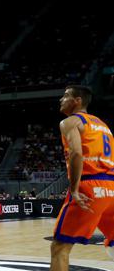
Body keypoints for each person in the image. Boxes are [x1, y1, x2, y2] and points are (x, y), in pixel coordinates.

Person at [51, 85, 114, 270]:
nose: (61, 99)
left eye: (65, 96)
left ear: (77, 100)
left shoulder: (71, 121)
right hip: (111, 186)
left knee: (59, 247)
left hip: (90, 185)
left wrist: (75, 189)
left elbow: (76, 153)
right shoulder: (103, 125)